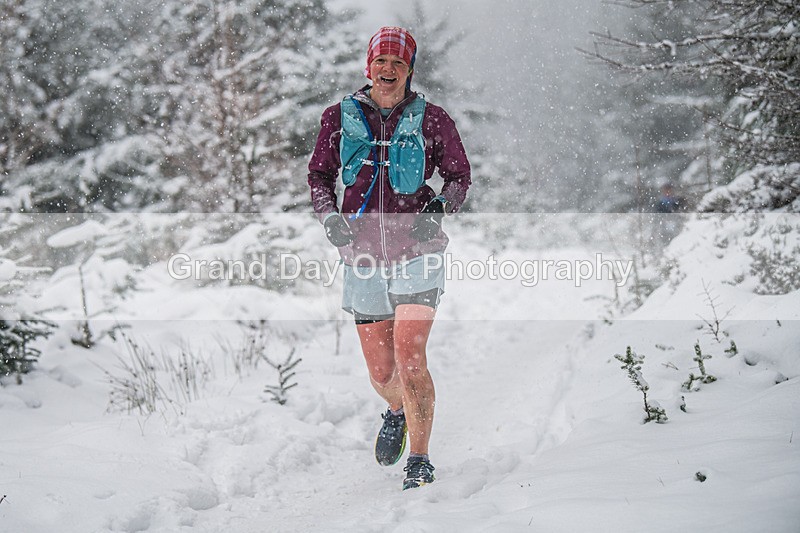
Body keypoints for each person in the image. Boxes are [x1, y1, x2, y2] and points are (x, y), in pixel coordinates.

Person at [307, 26, 471, 490]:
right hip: (361, 256)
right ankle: (397, 409)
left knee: (411, 358)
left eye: (398, 63)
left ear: (410, 70)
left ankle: (419, 459)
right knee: (382, 373)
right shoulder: (338, 117)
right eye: (381, 61)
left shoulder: (433, 119)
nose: (388, 70)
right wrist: (328, 217)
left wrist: (439, 209)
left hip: (419, 253)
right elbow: (319, 176)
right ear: (369, 66)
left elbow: (460, 177)